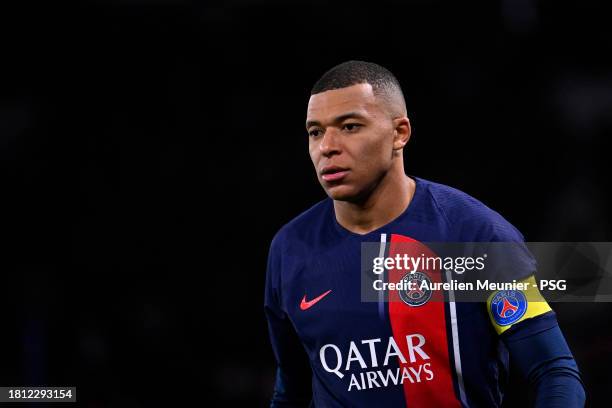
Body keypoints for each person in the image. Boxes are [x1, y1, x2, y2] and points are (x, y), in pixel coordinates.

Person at [264, 60, 585, 407]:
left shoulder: (476, 235)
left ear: (400, 133)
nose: (327, 146)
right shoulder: (290, 249)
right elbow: (290, 392)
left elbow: (555, 373)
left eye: (350, 126)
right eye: (315, 132)